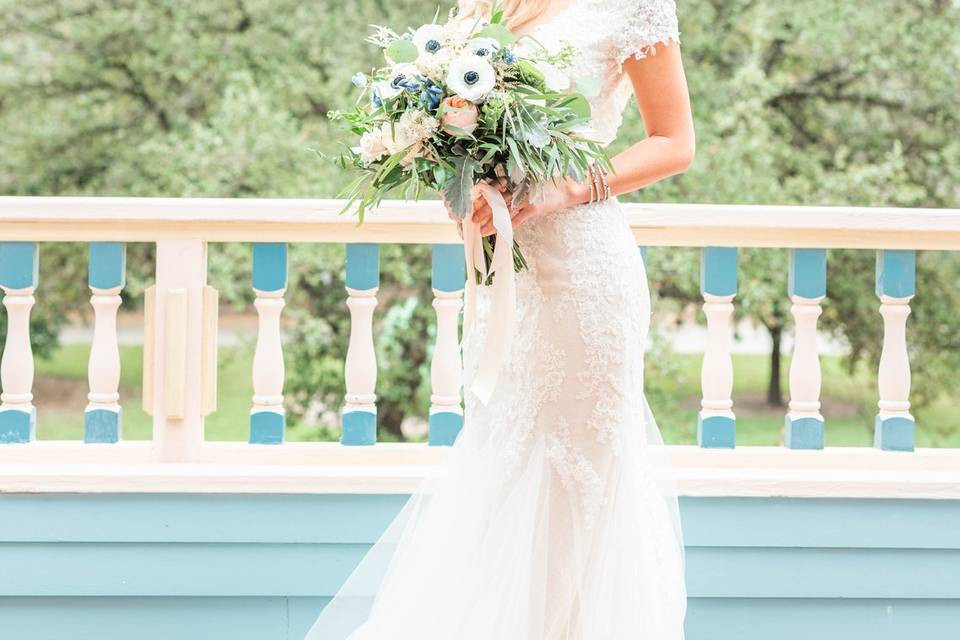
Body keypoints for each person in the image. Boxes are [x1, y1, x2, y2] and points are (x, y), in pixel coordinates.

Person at [306, 0, 694, 637]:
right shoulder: (482, 7)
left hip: (583, 270)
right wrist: (463, 186)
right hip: (505, 273)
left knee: (578, 467)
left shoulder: (636, 6)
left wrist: (565, 185)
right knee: (501, 454)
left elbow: (676, 143)